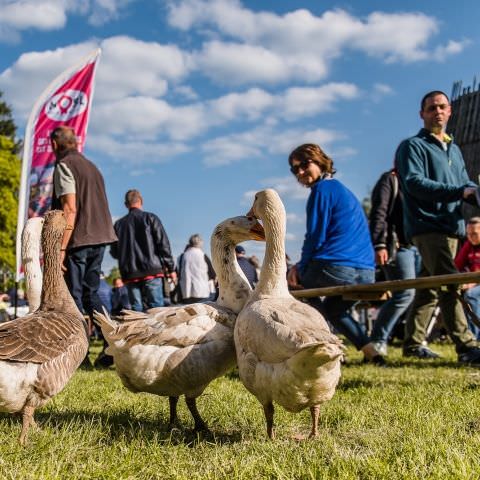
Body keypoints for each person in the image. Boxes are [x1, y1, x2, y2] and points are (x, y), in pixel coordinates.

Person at [395, 90, 480, 364]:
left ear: (450, 110)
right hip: (427, 225)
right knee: (449, 284)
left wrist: (472, 193)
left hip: (452, 226)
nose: (437, 112)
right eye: (431, 108)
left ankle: (412, 344)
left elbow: (466, 184)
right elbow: (414, 183)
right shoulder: (413, 146)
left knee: (429, 287)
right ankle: (467, 346)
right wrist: (460, 192)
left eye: (442, 107)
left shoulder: (453, 149)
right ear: (422, 114)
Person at [286, 143, 384, 365]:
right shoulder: (343, 190)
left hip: (338, 267)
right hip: (367, 272)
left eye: (304, 164)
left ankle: (327, 349)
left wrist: (298, 268)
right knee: (334, 310)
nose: (300, 172)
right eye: (294, 169)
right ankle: (373, 354)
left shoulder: (322, 191)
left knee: (293, 289)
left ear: (319, 161)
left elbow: (315, 237)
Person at [51, 126, 117, 367]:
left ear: (54, 145)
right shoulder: (93, 167)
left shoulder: (64, 165)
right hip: (99, 236)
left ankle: (80, 355)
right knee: (91, 293)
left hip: (79, 238)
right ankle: (112, 345)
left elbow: (69, 209)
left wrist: (59, 250)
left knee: (74, 295)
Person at [369, 169, 421, 355]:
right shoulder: (390, 180)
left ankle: (415, 342)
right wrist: (380, 243)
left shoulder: (415, 181)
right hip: (396, 246)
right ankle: (377, 340)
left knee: (418, 293)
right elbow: (379, 212)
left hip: (416, 244)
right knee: (404, 294)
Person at [110, 189, 176, 311]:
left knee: (136, 310)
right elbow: (164, 245)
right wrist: (171, 268)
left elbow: (114, 253)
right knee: (156, 310)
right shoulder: (151, 218)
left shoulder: (118, 225)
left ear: (126, 204)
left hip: (130, 273)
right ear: (141, 201)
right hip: (152, 271)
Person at [455, 217, 480, 339]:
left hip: (475, 283)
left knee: (471, 295)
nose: (471, 237)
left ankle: (474, 336)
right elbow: (457, 265)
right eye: (468, 234)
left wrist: (472, 283)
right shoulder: (468, 244)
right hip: (472, 282)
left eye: (474, 234)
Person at [177, 234, 215, 304]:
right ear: (200, 243)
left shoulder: (182, 257)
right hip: (201, 291)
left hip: (185, 291)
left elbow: (178, 274)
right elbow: (212, 274)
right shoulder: (203, 255)